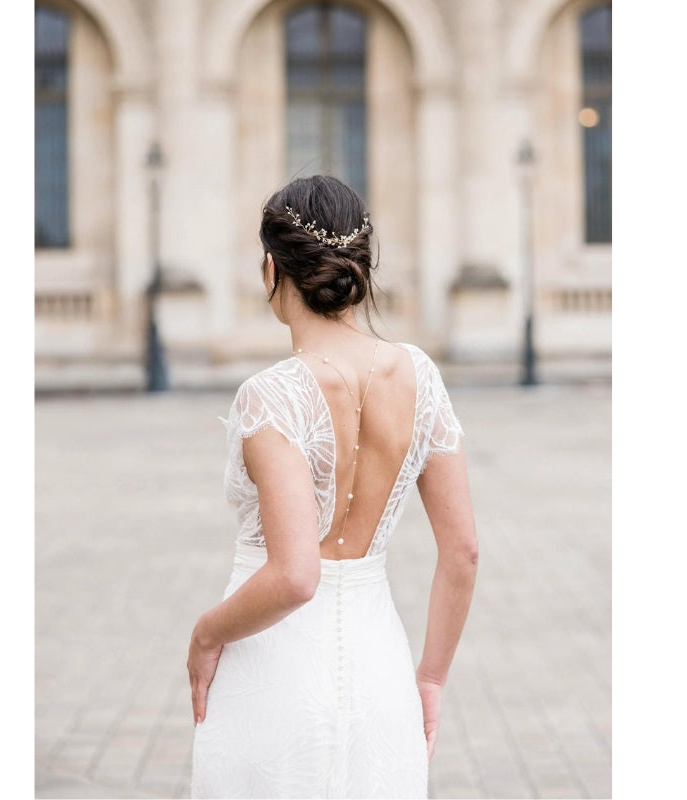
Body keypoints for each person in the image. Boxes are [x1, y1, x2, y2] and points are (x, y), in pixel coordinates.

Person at [187, 175, 478, 798]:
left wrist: (206, 634)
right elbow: (463, 552)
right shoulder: (420, 376)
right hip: (381, 669)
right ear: (361, 270)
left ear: (271, 269)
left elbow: (295, 575)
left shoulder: (271, 396)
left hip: (271, 668)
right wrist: (429, 679)